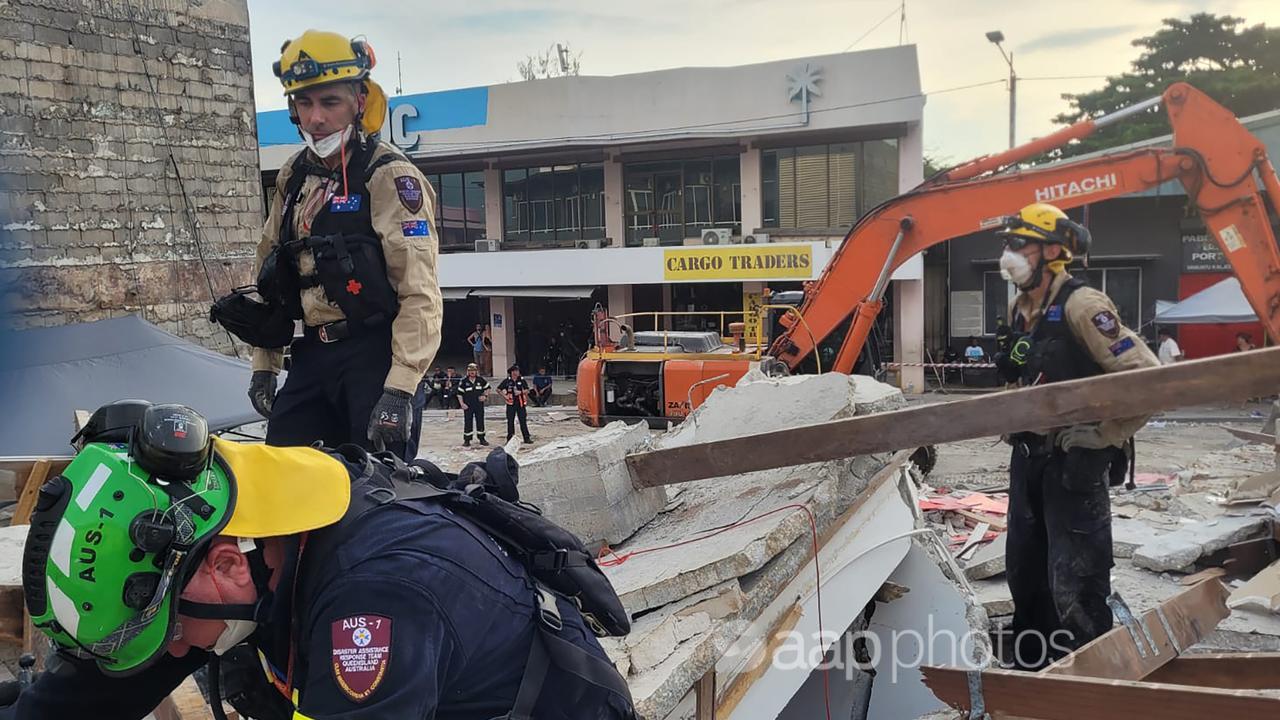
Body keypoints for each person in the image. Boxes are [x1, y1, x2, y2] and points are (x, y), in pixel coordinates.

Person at [5, 401, 636, 719]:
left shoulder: (376, 601)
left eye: (168, 634)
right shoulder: (237, 518)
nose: (175, 653)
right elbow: (90, 696)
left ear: (224, 566)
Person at [241, 30, 442, 462]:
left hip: (376, 356)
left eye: (329, 102)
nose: (316, 118)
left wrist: (400, 389)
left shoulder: (388, 175)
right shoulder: (294, 174)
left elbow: (420, 292)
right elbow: (271, 273)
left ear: (359, 101)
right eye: (304, 103)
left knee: (374, 495)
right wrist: (265, 364)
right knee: (281, 475)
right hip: (313, 351)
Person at [990, 203, 1159, 670]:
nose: (1009, 255)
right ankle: (1032, 681)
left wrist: (1104, 434)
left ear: (1050, 250)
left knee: (1076, 586)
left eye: (1018, 244)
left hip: (1074, 467)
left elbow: (1147, 379)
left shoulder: (1083, 306)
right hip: (1028, 462)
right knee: (1027, 578)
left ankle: (1089, 685)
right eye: (1008, 244)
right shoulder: (1020, 308)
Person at [498, 364, 534, 444]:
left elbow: (527, 390)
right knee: (510, 421)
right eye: (515, 371)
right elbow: (498, 389)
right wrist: (505, 396)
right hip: (511, 404)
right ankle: (510, 439)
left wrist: (520, 392)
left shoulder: (521, 380)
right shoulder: (507, 381)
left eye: (517, 371)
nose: (517, 373)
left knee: (523, 421)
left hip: (520, 403)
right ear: (511, 372)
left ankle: (526, 438)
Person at [458, 362, 491, 447]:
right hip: (468, 406)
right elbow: (459, 394)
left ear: (476, 371)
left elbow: (488, 388)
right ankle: (467, 440)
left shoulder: (480, 380)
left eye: (474, 370)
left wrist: (485, 396)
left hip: (479, 405)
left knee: (480, 421)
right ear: (468, 372)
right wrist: (462, 404)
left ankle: (482, 438)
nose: (472, 372)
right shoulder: (464, 381)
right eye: (470, 370)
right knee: (468, 422)